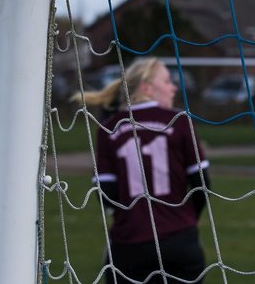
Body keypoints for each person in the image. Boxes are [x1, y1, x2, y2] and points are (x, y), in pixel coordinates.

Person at [74, 58, 210, 283]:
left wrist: (133, 213)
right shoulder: (180, 121)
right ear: (146, 88)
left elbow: (105, 192)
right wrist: (184, 217)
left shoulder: (109, 127)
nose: (173, 87)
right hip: (180, 241)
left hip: (130, 244)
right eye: (167, 81)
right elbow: (202, 183)